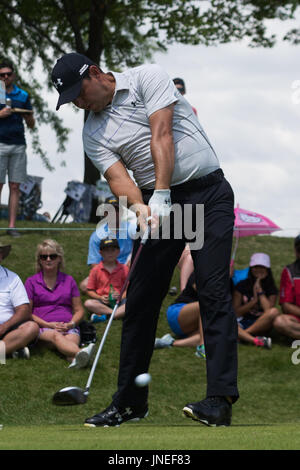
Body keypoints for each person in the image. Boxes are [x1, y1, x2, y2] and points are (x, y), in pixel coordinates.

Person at [52, 53, 239, 428]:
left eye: (79, 92)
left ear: (94, 73)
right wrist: (140, 207)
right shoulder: (92, 131)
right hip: (158, 202)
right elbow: (118, 178)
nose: (78, 102)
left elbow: (162, 133)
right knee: (139, 300)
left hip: (207, 195)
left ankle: (219, 400)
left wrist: (163, 193)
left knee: (214, 291)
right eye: (70, 99)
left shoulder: (146, 77)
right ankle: (130, 403)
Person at [25, 239, 94, 368]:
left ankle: (74, 360)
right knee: (57, 337)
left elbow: (79, 310)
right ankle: (83, 354)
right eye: (44, 257)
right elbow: (27, 313)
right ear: (39, 260)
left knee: (69, 341)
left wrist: (70, 324)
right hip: (43, 327)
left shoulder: (69, 280)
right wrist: (48, 324)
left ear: (59, 259)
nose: (48, 259)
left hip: (67, 326)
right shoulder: (31, 282)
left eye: (53, 256)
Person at [0, 60, 35, 238]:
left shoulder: (23, 95)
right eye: (2, 74)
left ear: (13, 75)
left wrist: (28, 116)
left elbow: (32, 124)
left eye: (8, 74)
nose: (6, 77)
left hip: (18, 145)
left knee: (15, 186)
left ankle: (12, 226)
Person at [79, 196, 135, 293]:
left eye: (117, 210)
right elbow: (94, 264)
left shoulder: (132, 228)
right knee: (84, 285)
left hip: (128, 270)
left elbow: (140, 250)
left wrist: (128, 266)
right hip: (107, 270)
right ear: (105, 213)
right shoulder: (96, 236)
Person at [232, 253, 280, 349]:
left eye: (262, 267)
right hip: (242, 322)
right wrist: (253, 301)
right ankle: (256, 341)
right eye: (256, 267)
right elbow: (236, 312)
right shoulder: (241, 285)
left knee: (274, 311)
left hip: (261, 323)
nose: (259, 269)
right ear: (251, 268)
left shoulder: (271, 288)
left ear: (267, 269)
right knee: (228, 320)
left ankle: (243, 335)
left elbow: (268, 311)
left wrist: (260, 292)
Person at [0, 242, 39, 359]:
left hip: (7, 330)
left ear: (1, 256)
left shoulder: (12, 278)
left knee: (32, 327)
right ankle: (9, 351)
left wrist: (5, 326)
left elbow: (24, 310)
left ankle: (5, 351)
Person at [154, 271, 206, 359]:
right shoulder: (202, 272)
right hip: (178, 312)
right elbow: (208, 295)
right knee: (208, 304)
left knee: (211, 336)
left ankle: (169, 342)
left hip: (197, 322)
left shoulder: (229, 284)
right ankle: (202, 347)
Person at [84, 237, 129, 322]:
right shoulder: (96, 269)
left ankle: (105, 316)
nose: (110, 253)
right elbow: (89, 290)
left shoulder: (124, 269)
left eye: (113, 250)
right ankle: (116, 314)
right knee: (88, 303)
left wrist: (120, 297)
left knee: (132, 302)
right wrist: (100, 297)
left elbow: (129, 289)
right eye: (106, 250)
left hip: (120, 301)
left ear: (118, 252)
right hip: (102, 301)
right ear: (100, 253)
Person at [273, 235, 300, 339]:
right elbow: (286, 306)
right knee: (280, 322)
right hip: (297, 318)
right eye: (299, 249)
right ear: (296, 251)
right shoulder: (289, 271)